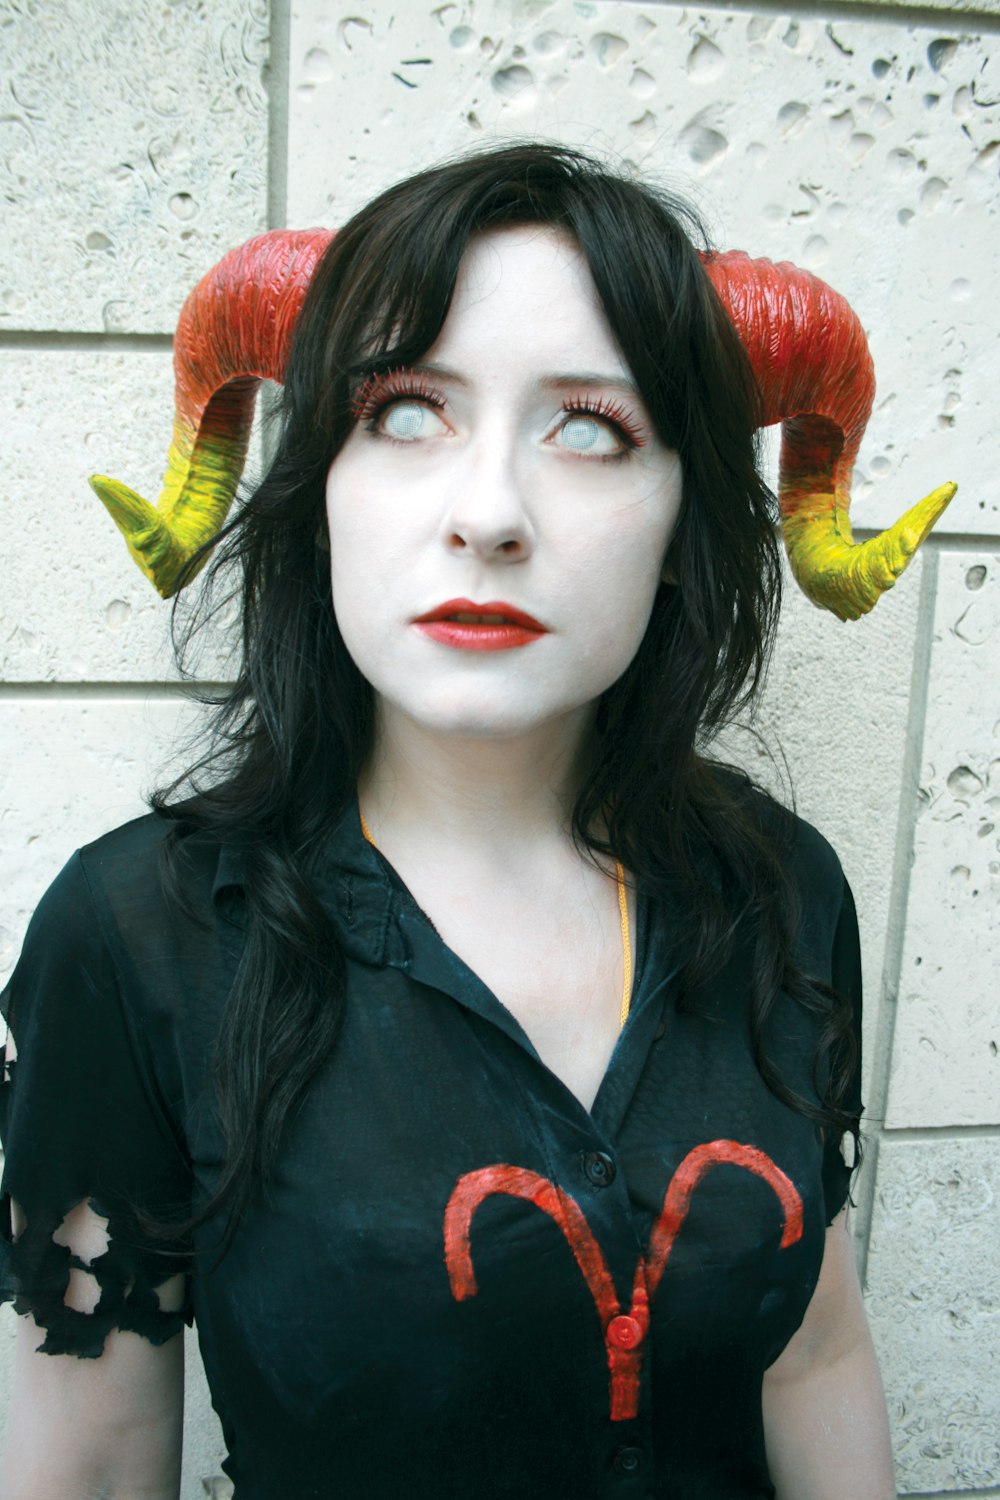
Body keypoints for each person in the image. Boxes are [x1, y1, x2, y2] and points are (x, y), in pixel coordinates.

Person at [2, 140, 942, 1499]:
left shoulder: (785, 889)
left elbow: (812, 1353)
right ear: (316, 491)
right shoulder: (136, 936)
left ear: (689, 520)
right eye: (402, 413)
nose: (490, 513)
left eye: (592, 429)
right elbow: (83, 1457)